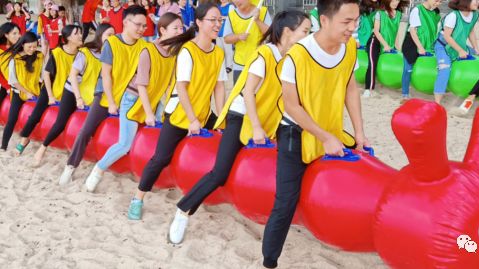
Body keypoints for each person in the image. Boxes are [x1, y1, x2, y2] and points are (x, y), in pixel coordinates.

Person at [164, 11, 311, 242]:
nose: (308, 36)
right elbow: (248, 93)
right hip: (241, 116)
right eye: (305, 31)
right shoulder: (265, 54)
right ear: (287, 32)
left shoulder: (292, 58)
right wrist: (256, 127)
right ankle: (183, 210)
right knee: (220, 173)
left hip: (265, 119)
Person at [261, 0, 371, 267]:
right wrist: (325, 137)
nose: (353, 28)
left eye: (356, 21)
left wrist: (359, 133)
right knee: (285, 201)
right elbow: (291, 105)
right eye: (346, 22)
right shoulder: (297, 55)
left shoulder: (350, 50)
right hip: (295, 133)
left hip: (331, 129)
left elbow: (349, 88)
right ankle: (269, 261)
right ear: (324, 20)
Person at [126, 2, 226, 218]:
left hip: (203, 113)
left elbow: (219, 87)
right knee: (160, 158)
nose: (217, 24)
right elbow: (182, 87)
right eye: (213, 20)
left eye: (220, 20)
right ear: (199, 22)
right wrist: (192, 120)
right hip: (180, 113)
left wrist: (221, 119)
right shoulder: (187, 51)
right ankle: (137, 199)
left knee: (227, 143)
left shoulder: (218, 53)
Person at [85, 13, 183, 192]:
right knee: (124, 144)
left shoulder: (173, 53)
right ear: (162, 30)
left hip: (154, 100)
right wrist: (150, 113)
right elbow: (142, 86)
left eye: (181, 28)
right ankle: (98, 169)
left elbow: (169, 85)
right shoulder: (148, 50)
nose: (180, 31)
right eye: (175, 28)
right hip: (133, 99)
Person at [77, 6, 149, 190]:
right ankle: (81, 167)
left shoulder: (144, 46)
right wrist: (110, 102)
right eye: (138, 24)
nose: (142, 29)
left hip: (132, 96)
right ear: (125, 22)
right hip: (106, 96)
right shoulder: (111, 44)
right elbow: (106, 76)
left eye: (144, 25)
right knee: (87, 131)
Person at [32, 24, 115, 167]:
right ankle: (42, 148)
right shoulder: (85, 52)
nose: (112, 38)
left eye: (114, 35)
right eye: (109, 35)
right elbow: (72, 75)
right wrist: (78, 98)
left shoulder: (110, 55)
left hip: (91, 94)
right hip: (72, 90)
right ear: (100, 36)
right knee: (60, 123)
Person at [14, 25, 82, 155]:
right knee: (35, 116)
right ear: (68, 38)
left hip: (69, 91)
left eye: (80, 33)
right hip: (50, 88)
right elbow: (46, 75)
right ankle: (24, 140)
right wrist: (50, 96)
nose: (80, 35)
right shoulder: (57, 53)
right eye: (77, 33)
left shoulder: (82, 53)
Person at [433, 0, 479, 104]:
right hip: (443, 46)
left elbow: (471, 31)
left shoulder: (474, 15)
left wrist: (476, 48)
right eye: (476, 0)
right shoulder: (453, 16)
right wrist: (460, 50)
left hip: (460, 45)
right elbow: (447, 36)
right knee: (444, 69)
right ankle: (437, 103)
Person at [0, 32, 44, 152]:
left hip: (35, 91)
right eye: (29, 46)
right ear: (23, 44)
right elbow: (13, 81)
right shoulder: (15, 59)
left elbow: (41, 75)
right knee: (12, 119)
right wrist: (26, 92)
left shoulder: (39, 56)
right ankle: (3, 146)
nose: (32, 49)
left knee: (37, 117)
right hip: (19, 92)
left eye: (35, 46)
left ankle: (24, 140)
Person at [364, 0, 408, 96]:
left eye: (398, 0)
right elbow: (376, 31)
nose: (396, 2)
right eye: (394, 0)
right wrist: (385, 45)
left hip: (389, 44)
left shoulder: (400, 15)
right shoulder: (379, 13)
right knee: (372, 63)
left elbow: (396, 33)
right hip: (375, 41)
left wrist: (396, 47)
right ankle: (368, 89)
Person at [400, 0, 442, 102]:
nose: (438, 3)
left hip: (428, 44)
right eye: (437, 0)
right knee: (408, 68)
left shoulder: (436, 12)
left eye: (440, 1)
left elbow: (435, 29)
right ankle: (405, 94)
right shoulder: (417, 10)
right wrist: (420, 47)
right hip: (412, 43)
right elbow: (413, 31)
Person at [223, 0, 272, 83]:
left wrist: (257, 20)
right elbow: (226, 39)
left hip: (259, 62)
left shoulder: (262, 11)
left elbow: (270, 34)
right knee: (239, 95)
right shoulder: (232, 15)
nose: (236, 1)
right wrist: (238, 37)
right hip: (239, 64)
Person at [0, 23, 22, 107]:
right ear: (6, 35)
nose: (18, 36)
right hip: (6, 83)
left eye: (19, 33)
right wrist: (7, 87)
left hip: (22, 83)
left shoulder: (20, 48)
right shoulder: (1, 50)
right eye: (14, 33)